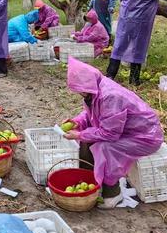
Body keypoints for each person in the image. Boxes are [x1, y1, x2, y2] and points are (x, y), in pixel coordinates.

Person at [63, 57, 163, 208]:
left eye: (78, 89)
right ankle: (91, 181)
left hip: (145, 136)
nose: (78, 92)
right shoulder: (94, 90)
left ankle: (113, 193)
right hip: (126, 131)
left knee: (105, 148)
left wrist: (79, 134)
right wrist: (78, 122)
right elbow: (94, 114)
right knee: (87, 139)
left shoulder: (110, 96)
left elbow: (110, 134)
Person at [106, 0, 167, 85]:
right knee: (138, 48)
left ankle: (110, 74)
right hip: (141, 22)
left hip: (125, 20)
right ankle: (134, 80)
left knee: (119, 46)